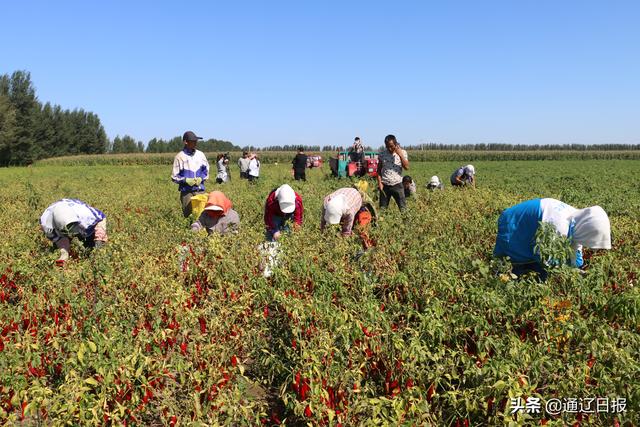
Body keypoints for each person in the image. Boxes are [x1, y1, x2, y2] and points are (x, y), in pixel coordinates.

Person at [493, 198, 611, 279]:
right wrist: (567, 272)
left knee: (535, 259)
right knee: (512, 256)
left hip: (533, 218)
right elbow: (546, 257)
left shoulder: (578, 220)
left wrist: (577, 267)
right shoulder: (558, 225)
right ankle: (504, 276)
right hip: (514, 221)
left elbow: (576, 248)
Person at [40, 199, 107, 264]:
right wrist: (64, 253)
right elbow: (60, 240)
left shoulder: (86, 214)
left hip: (82, 220)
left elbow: (101, 218)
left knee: (92, 248)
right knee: (63, 251)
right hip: (58, 224)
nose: (72, 235)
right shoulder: (47, 225)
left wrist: (99, 240)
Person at [172, 131, 210, 217]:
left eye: (196, 141)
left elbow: (206, 170)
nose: (195, 143)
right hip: (186, 192)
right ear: (186, 142)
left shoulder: (200, 155)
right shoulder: (179, 157)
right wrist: (186, 180)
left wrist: (201, 178)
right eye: (193, 141)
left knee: (202, 215)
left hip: (200, 190)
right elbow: (174, 176)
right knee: (188, 215)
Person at [376, 134, 409, 210]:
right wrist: (380, 183)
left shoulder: (403, 152)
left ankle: (407, 222)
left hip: (397, 184)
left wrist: (400, 154)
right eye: (387, 146)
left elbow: (407, 167)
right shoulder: (382, 154)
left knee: (403, 209)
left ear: (396, 144)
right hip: (385, 185)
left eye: (391, 146)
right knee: (383, 209)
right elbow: (378, 171)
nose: (389, 148)